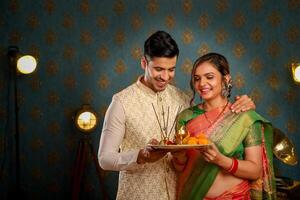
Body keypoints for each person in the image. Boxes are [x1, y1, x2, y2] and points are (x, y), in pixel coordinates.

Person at [98, 31, 256, 200]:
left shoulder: (183, 99)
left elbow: (213, 117)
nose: (165, 77)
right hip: (138, 195)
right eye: (158, 69)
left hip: (178, 195)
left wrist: (245, 104)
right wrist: (140, 156)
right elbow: (105, 159)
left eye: (171, 69)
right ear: (144, 63)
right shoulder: (122, 102)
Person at [172, 52, 276, 200]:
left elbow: (255, 171)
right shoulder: (186, 117)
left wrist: (220, 160)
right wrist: (179, 157)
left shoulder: (245, 117)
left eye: (209, 77)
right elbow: (180, 169)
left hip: (236, 196)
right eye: (197, 79)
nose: (202, 84)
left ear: (225, 79)